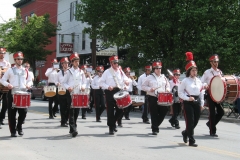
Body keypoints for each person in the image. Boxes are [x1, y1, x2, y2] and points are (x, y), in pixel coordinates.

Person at [0, 51, 33, 137]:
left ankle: (19, 126)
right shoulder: (10, 70)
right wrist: (8, 85)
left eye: (21, 59)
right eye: (18, 59)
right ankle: (13, 131)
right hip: (12, 92)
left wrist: (29, 85)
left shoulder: (26, 70)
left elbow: (29, 80)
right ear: (15, 60)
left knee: (24, 112)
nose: (20, 60)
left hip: (23, 93)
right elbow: (2, 80)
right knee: (12, 114)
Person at [179, 52, 205, 147]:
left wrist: (202, 103)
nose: (195, 72)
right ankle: (191, 140)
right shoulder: (185, 81)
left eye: (195, 70)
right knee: (190, 121)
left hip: (197, 102)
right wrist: (187, 98)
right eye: (193, 70)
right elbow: (180, 93)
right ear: (189, 71)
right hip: (188, 102)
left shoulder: (199, 81)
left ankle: (185, 132)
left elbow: (201, 92)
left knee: (196, 121)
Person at [99, 55, 129, 135]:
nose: (116, 64)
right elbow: (101, 82)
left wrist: (126, 82)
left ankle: (113, 123)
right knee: (110, 110)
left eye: (117, 63)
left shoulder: (120, 71)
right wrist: (107, 87)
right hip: (110, 92)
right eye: (115, 63)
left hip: (119, 91)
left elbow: (126, 79)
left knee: (121, 109)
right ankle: (111, 128)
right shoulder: (107, 72)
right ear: (111, 63)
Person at [142, 61, 170, 135]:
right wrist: (150, 89)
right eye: (157, 68)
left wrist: (167, 89)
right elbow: (143, 86)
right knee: (154, 113)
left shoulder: (164, 77)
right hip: (153, 97)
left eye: (159, 68)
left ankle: (155, 125)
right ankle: (155, 129)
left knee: (164, 111)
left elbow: (168, 86)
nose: (158, 70)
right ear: (154, 69)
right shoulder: (149, 77)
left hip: (163, 97)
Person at [62, 53, 86, 137]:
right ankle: (74, 128)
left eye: (78, 61)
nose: (77, 63)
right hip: (71, 93)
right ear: (72, 62)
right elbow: (64, 82)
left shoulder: (81, 71)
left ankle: (72, 127)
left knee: (77, 111)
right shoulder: (69, 71)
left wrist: (83, 86)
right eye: (75, 61)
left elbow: (84, 82)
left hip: (78, 93)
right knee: (71, 111)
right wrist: (68, 87)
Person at [201, 54, 224, 137]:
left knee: (221, 112)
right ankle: (212, 131)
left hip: (218, 95)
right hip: (210, 94)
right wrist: (205, 85)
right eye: (214, 62)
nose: (216, 63)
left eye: (217, 61)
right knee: (212, 113)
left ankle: (210, 124)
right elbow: (201, 82)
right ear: (211, 63)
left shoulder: (220, 72)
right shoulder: (207, 72)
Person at [56, 57, 69, 127]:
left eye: (67, 63)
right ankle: (63, 121)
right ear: (62, 64)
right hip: (61, 91)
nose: (66, 64)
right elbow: (56, 81)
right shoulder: (59, 73)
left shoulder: (70, 72)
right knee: (62, 107)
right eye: (65, 63)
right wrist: (57, 83)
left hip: (68, 91)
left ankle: (66, 119)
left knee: (68, 107)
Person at [0, 47, 11, 129]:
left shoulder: (7, 63)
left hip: (5, 86)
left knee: (5, 104)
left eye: (3, 53)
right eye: (1, 52)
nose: (2, 54)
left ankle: (1, 119)